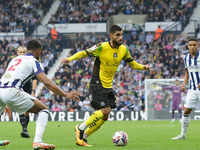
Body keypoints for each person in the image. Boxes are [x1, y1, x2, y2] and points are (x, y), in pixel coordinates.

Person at [60, 25, 150, 147]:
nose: (120, 37)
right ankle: (80, 128)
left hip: (108, 86)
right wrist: (70, 59)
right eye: (117, 35)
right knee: (105, 111)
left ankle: (84, 137)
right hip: (97, 84)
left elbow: (133, 64)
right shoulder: (101, 47)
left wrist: (143, 66)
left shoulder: (123, 49)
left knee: (106, 115)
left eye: (121, 35)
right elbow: (83, 53)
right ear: (111, 36)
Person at [0, 40, 81, 149]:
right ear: (38, 51)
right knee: (43, 110)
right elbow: (46, 82)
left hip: (1, 89)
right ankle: (37, 141)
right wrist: (65, 94)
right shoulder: (34, 61)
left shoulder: (15, 59)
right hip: (11, 91)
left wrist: (5, 102)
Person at [171, 37, 200, 140]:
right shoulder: (186, 58)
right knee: (186, 111)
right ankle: (183, 135)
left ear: (198, 45)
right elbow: (187, 72)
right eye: (190, 45)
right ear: (188, 46)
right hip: (192, 89)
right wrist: (184, 83)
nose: (192, 47)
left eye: (194, 45)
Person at [17, 46, 37, 138]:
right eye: (20, 52)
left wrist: (33, 91)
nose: (22, 54)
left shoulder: (30, 63)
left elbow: (34, 78)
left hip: (27, 89)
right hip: (17, 88)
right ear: (17, 53)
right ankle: (24, 129)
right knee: (20, 109)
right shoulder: (14, 63)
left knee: (27, 111)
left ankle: (25, 128)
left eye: (23, 52)